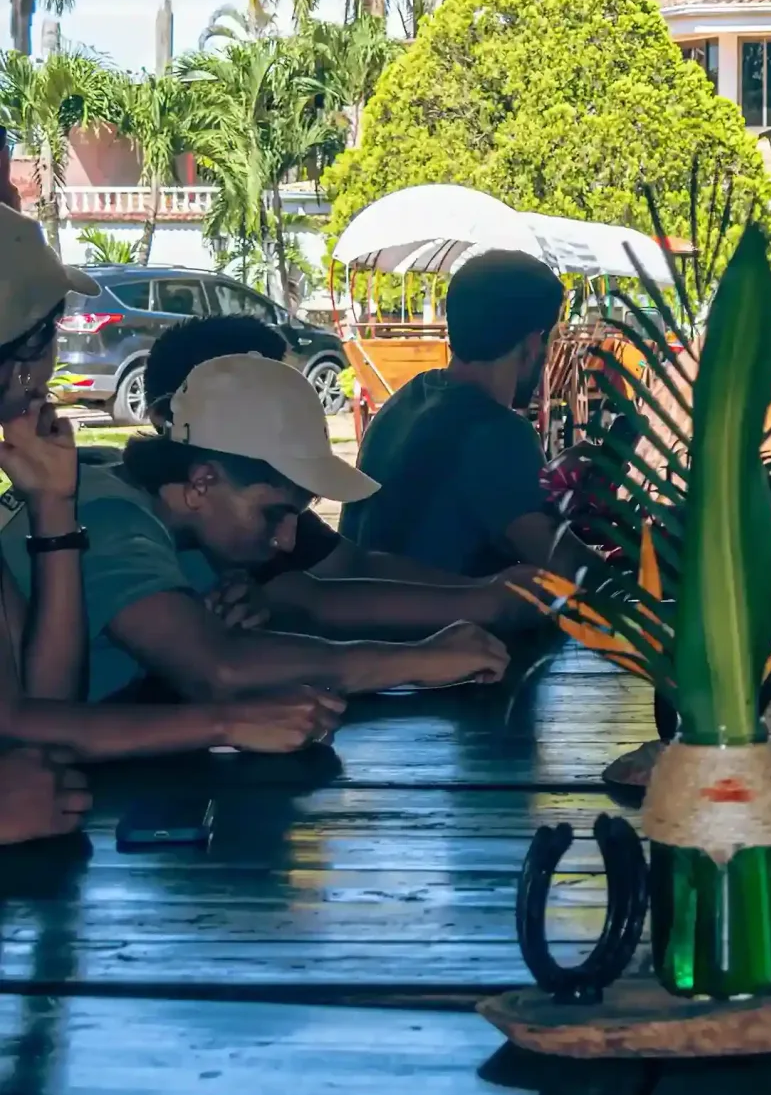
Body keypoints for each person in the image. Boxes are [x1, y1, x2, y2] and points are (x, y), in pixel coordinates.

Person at [0, 205, 346, 755]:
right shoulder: (114, 509)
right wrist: (221, 723)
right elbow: (24, 727)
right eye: (52, 341)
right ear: (23, 360)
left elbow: (41, 713)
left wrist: (53, 510)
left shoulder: (76, 489)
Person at [2, 350, 508, 702]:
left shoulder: (172, 520)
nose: (286, 539)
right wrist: (419, 661)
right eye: (275, 514)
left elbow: (304, 599)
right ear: (202, 481)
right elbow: (218, 669)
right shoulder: (110, 519)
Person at [141, 314, 538, 641]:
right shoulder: (145, 522)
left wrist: (486, 588)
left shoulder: (266, 505)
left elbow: (353, 564)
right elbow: (309, 602)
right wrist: (485, 602)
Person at [340, 250, 595, 579]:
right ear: (534, 344)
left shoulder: (405, 401)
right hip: (437, 628)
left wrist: (553, 478)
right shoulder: (499, 432)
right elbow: (569, 567)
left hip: (364, 620)